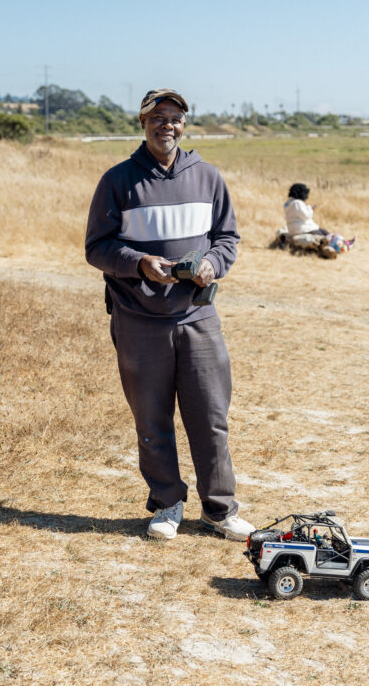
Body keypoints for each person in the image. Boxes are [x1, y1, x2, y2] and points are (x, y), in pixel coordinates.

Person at [85, 88, 254, 542]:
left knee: (211, 416)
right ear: (141, 122)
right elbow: (96, 248)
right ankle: (166, 504)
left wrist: (211, 265)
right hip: (138, 319)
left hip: (198, 319)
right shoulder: (118, 181)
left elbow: (227, 238)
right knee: (152, 417)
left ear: (185, 124)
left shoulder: (208, 177)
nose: (168, 125)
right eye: (158, 116)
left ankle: (219, 510)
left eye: (176, 117)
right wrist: (139, 263)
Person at [283, 183, 354, 254]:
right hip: (304, 229)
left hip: (295, 228)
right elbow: (306, 215)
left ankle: (344, 242)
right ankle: (342, 246)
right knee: (326, 237)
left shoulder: (288, 203)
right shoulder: (297, 203)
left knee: (325, 232)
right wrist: (310, 209)